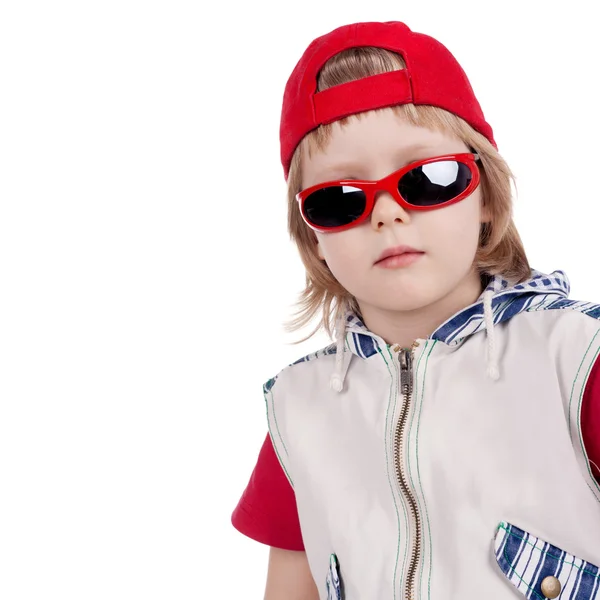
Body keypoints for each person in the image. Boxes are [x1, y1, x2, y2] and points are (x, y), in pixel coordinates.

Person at [231, 20, 600, 600]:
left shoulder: (577, 362)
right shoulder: (298, 413)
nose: (387, 215)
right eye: (341, 198)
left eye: (427, 180)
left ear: (485, 196)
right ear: (313, 240)